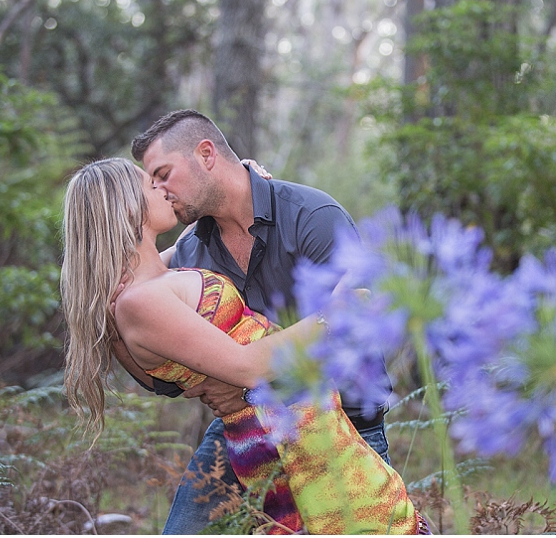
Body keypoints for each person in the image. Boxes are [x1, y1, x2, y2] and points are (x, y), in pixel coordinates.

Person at [61, 158, 427, 534]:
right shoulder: (139, 301)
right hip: (284, 437)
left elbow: (199, 233)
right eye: (150, 184)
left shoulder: (157, 273)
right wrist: (331, 316)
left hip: (299, 422)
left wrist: (238, 181)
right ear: (125, 206)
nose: (163, 189)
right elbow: (246, 366)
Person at [117, 109, 394, 534]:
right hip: (244, 433)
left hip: (345, 426)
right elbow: (169, 372)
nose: (158, 190)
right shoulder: (192, 251)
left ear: (206, 154)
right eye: (151, 181)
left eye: (163, 174)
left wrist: (239, 381)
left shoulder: (311, 216)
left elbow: (354, 329)